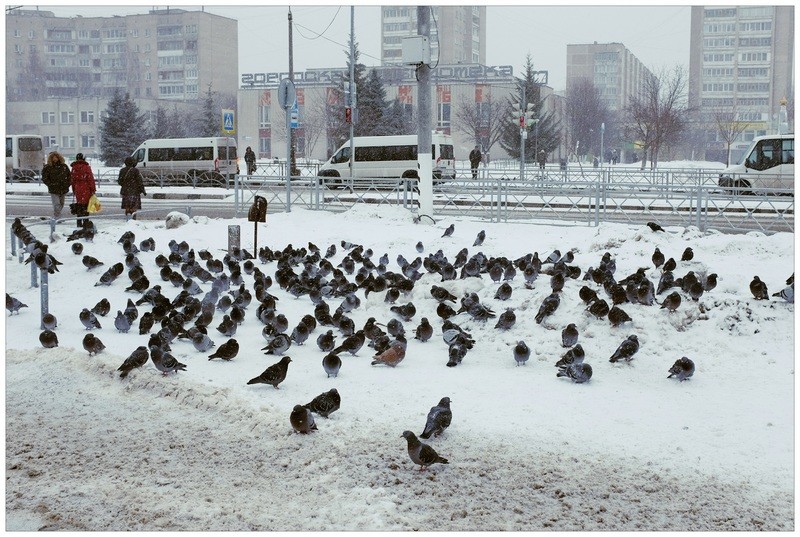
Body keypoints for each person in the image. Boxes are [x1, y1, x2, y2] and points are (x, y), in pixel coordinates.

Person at [41, 151, 71, 218]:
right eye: (53, 157)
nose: (55, 159)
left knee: (61, 203)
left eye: (56, 157)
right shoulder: (48, 167)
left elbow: (69, 176)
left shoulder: (64, 166)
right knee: (56, 204)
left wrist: (67, 184)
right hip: (53, 188)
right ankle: (57, 216)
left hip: (63, 188)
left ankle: (57, 214)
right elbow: (45, 178)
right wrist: (50, 184)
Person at [70, 153, 96, 228]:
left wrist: (74, 189)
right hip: (86, 188)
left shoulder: (74, 167)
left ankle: (79, 222)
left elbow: (72, 180)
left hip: (78, 188)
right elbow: (90, 179)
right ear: (84, 158)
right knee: (86, 206)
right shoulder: (86, 167)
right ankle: (85, 222)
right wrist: (93, 189)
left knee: (79, 205)